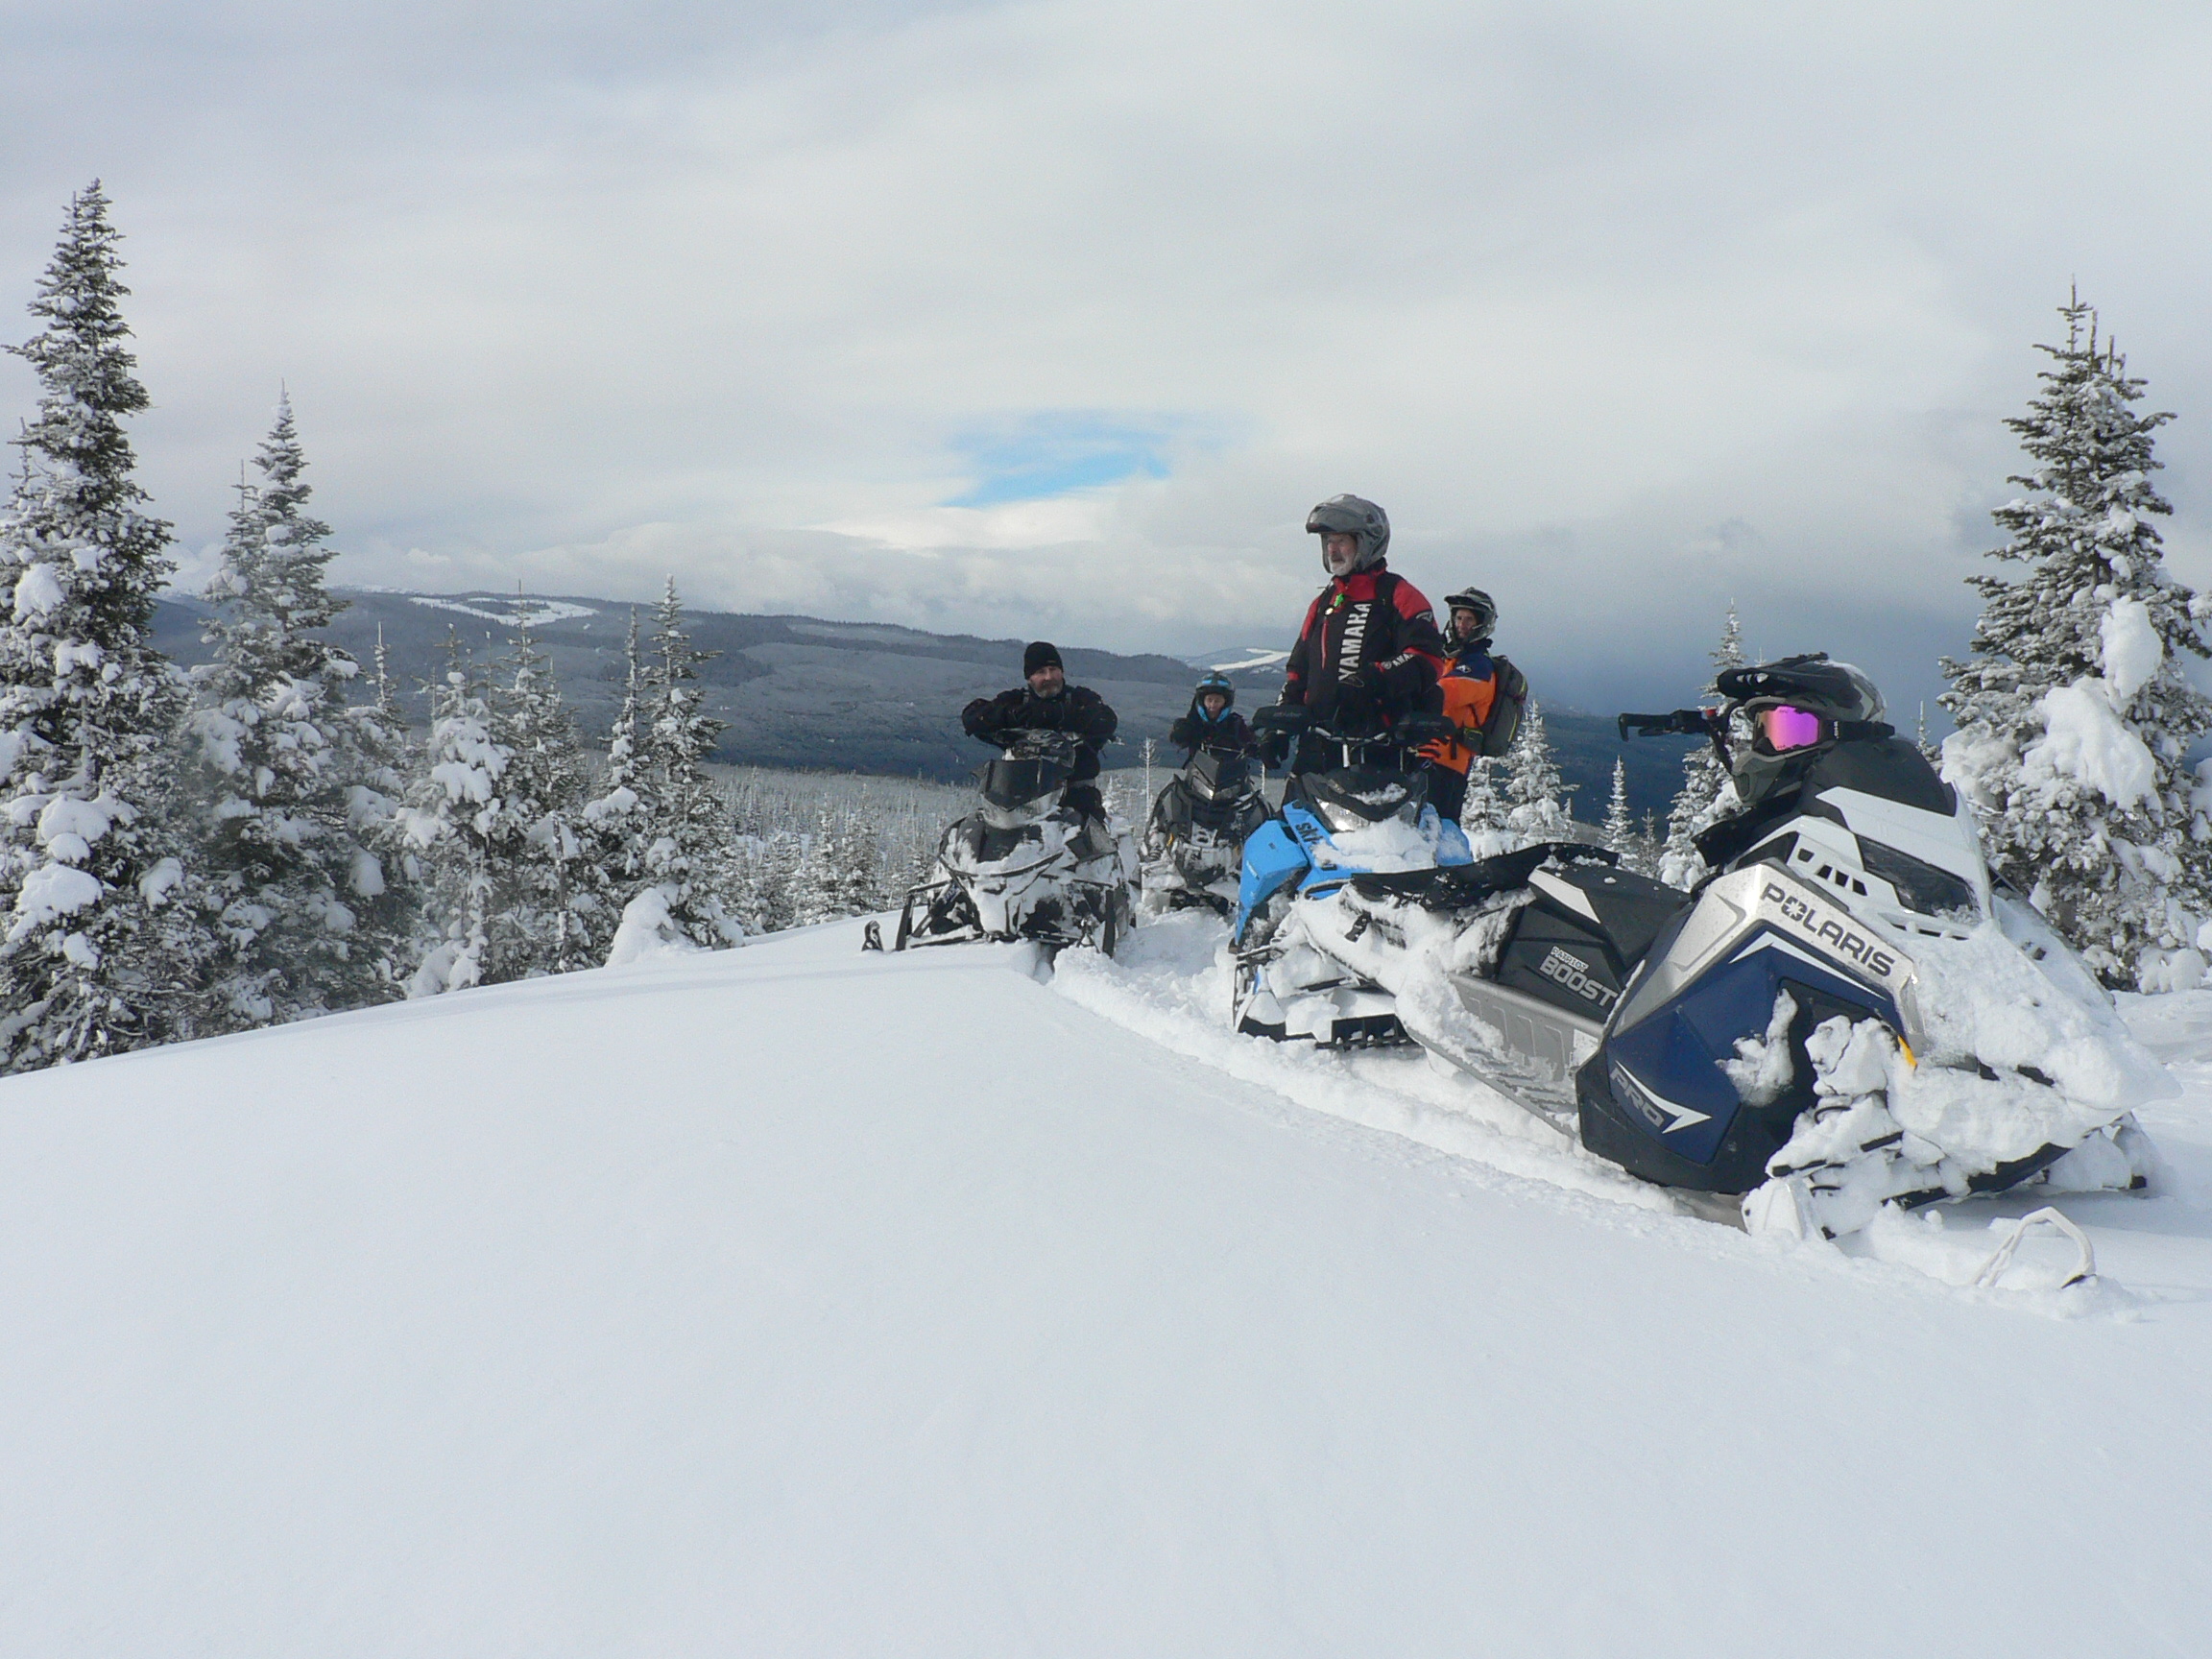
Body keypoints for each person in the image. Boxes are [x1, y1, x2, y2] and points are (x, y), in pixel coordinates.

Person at [1267, 494, 1446, 775]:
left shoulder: (1399, 595)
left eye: (1341, 541)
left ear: (1366, 543)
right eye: (1328, 542)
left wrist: (1372, 679)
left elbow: (1427, 658)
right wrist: (1279, 729)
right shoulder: (1324, 602)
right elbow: (1297, 672)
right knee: (1291, 818)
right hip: (1316, 746)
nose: (1333, 550)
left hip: (1378, 748)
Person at [961, 641, 1118, 820]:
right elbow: (973, 717)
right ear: (1029, 678)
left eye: (1053, 669)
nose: (1049, 677)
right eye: (1040, 672)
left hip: (1077, 795)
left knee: (1091, 839)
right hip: (1020, 798)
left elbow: (1106, 719)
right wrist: (1014, 715)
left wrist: (1059, 715)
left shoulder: (1080, 698)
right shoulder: (1018, 700)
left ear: (1062, 672)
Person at [1420, 587, 1527, 823]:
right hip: (1427, 756)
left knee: (1438, 828)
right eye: (1458, 617)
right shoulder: (1450, 659)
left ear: (1482, 624)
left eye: (1469, 619)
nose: (1462, 624)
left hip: (1448, 764)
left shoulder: (1478, 667)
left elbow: (1443, 694)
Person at [1168, 672, 1256, 758]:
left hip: (1230, 770)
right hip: (1198, 771)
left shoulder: (1235, 724)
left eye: (1217, 700)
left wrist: (1253, 747)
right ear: (1202, 701)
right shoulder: (1192, 723)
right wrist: (1179, 733)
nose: (1213, 704)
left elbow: (1249, 741)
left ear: (1226, 702)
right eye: (1209, 700)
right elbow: (1177, 739)